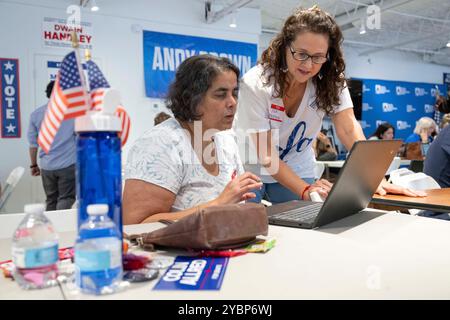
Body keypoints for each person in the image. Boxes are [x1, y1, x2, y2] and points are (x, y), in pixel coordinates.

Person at [233, 6, 423, 204]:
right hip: (251, 167)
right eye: (301, 54)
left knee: (306, 222)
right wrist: (306, 189)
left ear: (328, 56)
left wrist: (374, 178)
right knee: (245, 228)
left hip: (297, 168)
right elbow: (266, 156)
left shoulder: (331, 80)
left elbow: (349, 129)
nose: (308, 65)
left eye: (317, 57)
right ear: (285, 47)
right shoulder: (256, 82)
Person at [123, 55, 262, 224]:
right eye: (220, 94)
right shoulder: (161, 144)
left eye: (234, 93)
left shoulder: (225, 138)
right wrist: (218, 204)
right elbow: (135, 224)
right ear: (191, 99)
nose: (232, 102)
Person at [27, 80, 76, 210]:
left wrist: (33, 165)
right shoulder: (73, 114)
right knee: (66, 198)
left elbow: (33, 144)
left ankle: (50, 228)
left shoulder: (36, 114)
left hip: (47, 166)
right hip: (68, 164)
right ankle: (61, 228)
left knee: (51, 199)